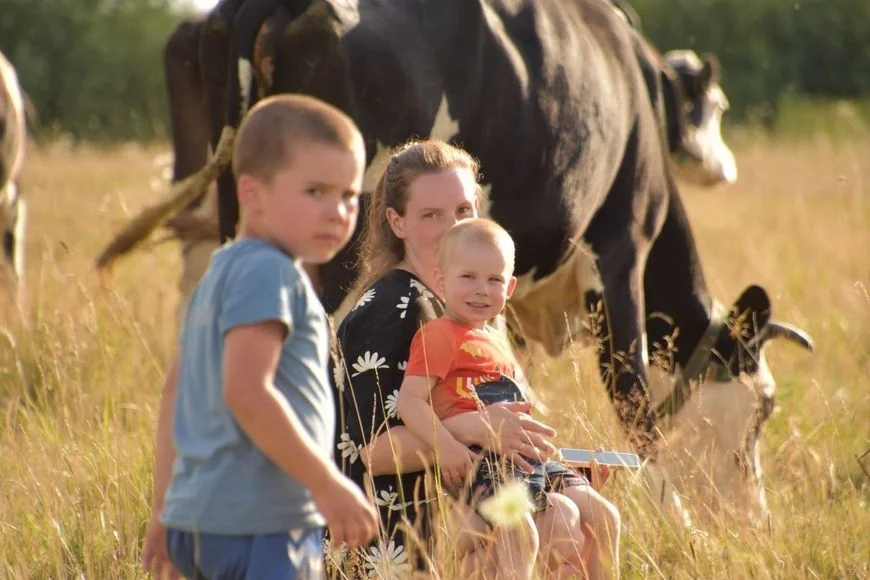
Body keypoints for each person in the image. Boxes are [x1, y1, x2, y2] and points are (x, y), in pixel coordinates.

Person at [141, 93, 379, 580]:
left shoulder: (218, 272)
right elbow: (247, 392)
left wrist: (164, 509)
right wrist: (327, 483)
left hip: (200, 521)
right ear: (251, 194)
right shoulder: (272, 274)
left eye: (349, 195)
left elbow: (173, 395)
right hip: (264, 523)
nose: (338, 211)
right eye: (315, 192)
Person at [331, 140, 559, 578]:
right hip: (391, 541)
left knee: (578, 519)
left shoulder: (458, 300)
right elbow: (373, 454)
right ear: (397, 223)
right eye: (431, 215)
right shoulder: (395, 308)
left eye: (462, 211)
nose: (451, 226)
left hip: (448, 507)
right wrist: (479, 427)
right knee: (544, 531)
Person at [397, 217, 603, 578]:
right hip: (484, 463)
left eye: (494, 280)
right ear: (442, 281)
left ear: (509, 288)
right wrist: (444, 446)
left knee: (602, 515)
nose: (481, 289)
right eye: (468, 277)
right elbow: (409, 401)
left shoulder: (495, 340)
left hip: (524, 457)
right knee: (519, 532)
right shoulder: (440, 335)